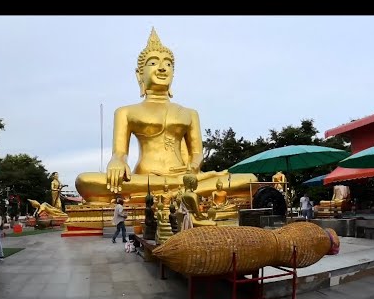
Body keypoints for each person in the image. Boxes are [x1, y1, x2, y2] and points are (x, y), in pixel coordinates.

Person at [75, 28, 256, 204]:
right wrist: (116, 162)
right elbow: (120, 153)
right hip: (145, 178)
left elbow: (197, 154)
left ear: (173, 73)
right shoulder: (126, 112)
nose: (162, 68)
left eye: (168, 64)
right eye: (153, 63)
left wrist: (191, 170)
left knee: (250, 179)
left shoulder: (189, 113)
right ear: (139, 75)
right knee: (84, 180)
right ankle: (184, 192)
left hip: (184, 177)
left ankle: (178, 190)